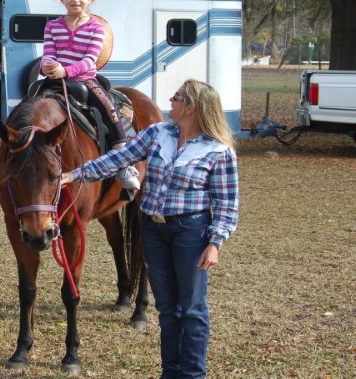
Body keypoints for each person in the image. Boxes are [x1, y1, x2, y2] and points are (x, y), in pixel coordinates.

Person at [60, 79, 239, 378]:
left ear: (192, 108)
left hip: (190, 232)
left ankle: (193, 374)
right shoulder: (157, 134)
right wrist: (75, 174)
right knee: (167, 310)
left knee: (192, 310)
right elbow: (118, 158)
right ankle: (170, 373)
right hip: (153, 231)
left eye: (178, 97)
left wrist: (215, 243)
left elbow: (227, 203)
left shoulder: (218, 151)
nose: (171, 99)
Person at [0, 0, 140, 189]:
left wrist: (65, 71)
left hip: (84, 80)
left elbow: (89, 60)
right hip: (54, 80)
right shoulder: (53, 26)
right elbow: (48, 53)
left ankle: (122, 164)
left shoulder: (96, 28)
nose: (75, 0)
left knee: (108, 109)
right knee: (18, 114)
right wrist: (46, 66)